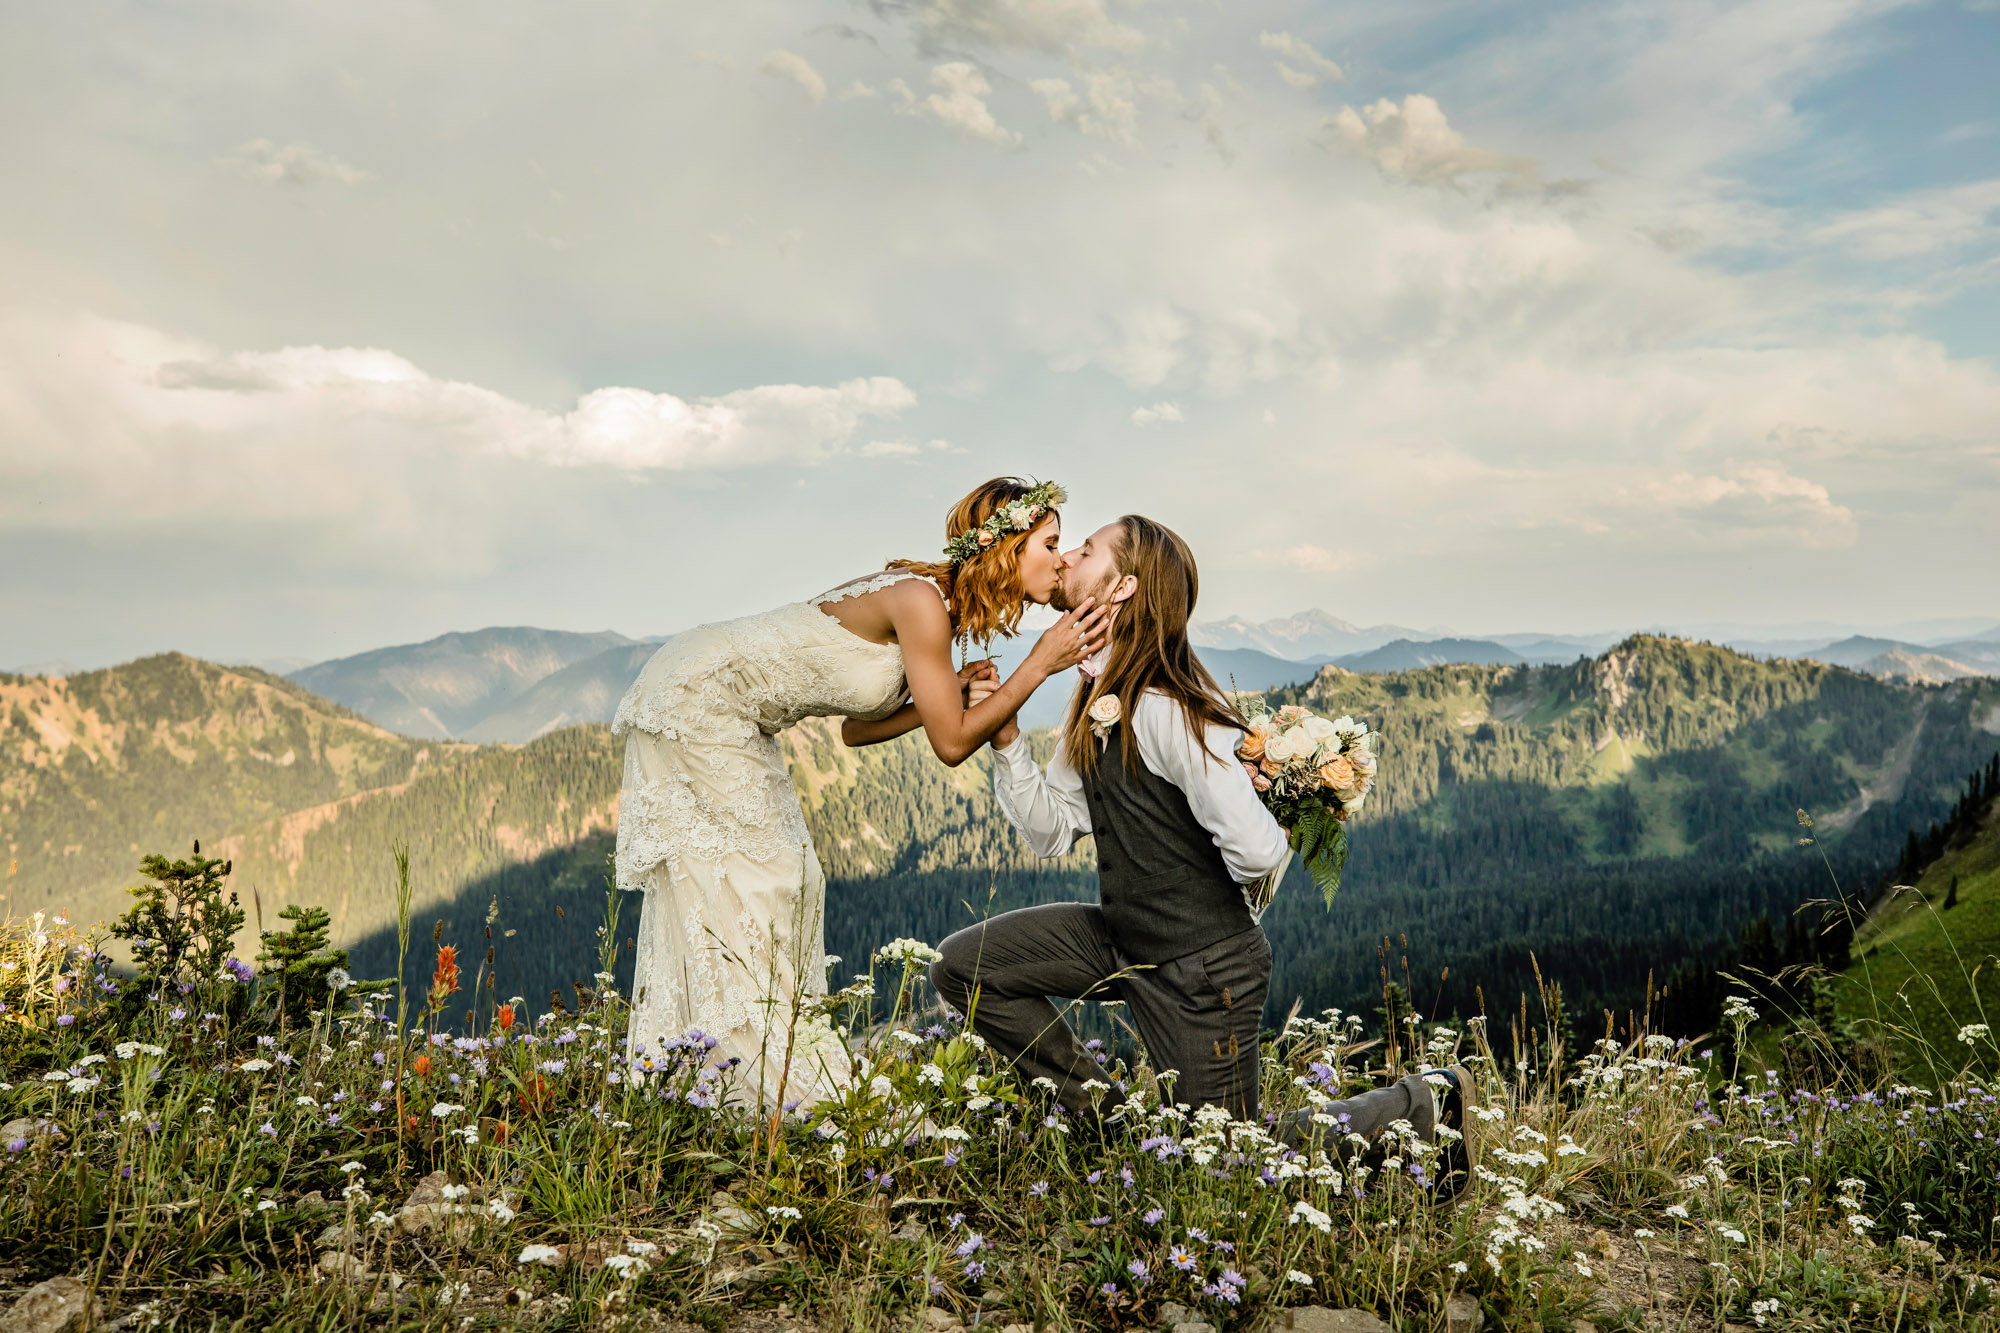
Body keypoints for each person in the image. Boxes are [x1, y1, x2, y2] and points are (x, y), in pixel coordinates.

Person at [932, 514, 1476, 1184]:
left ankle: (1423, 1104)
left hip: (1202, 972)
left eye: (1086, 548)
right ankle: (1115, 1130)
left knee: (1225, 1162)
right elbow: (1049, 830)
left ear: (1124, 586)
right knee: (965, 967)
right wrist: (1007, 736)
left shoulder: (1165, 707)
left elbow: (1256, 852)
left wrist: (1203, 867)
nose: (1068, 556)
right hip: (1124, 940)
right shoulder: (1095, 695)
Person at [612, 477, 1110, 1109]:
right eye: (1051, 543)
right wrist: (1038, 664)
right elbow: (953, 745)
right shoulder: (922, 603)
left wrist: (950, 691)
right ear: (1008, 548)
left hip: (734, 712)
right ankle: (741, 1083)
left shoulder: (936, 611)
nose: (1063, 560)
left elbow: (855, 730)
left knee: (789, 882)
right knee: (761, 880)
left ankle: (726, 1072)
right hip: (697, 696)